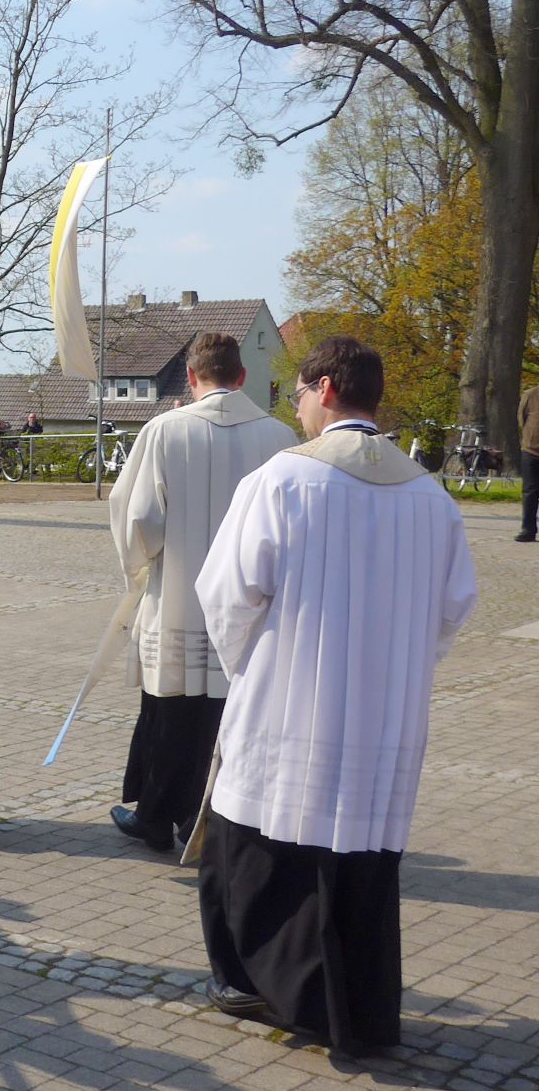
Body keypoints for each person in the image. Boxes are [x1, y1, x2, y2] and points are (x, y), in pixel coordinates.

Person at [195, 336, 476, 1051]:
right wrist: (398, 667)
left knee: (259, 847)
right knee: (361, 863)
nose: (296, 409)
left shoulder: (282, 481)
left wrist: (247, 671)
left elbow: (226, 594)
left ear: (324, 388)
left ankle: (269, 988)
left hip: (289, 703)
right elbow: (453, 608)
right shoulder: (431, 496)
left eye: (297, 394)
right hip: (387, 717)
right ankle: (362, 1005)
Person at [106, 334, 295, 853]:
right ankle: (217, 819)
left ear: (191, 377)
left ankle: (155, 815)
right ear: (242, 377)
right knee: (230, 714)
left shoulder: (164, 430)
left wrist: (139, 568)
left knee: (170, 711)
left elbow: (139, 518)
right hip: (250, 610)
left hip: (178, 599)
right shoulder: (280, 437)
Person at [518, 382, 537, 542]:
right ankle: (528, 529)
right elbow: (521, 420)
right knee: (530, 492)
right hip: (531, 451)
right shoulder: (530, 395)